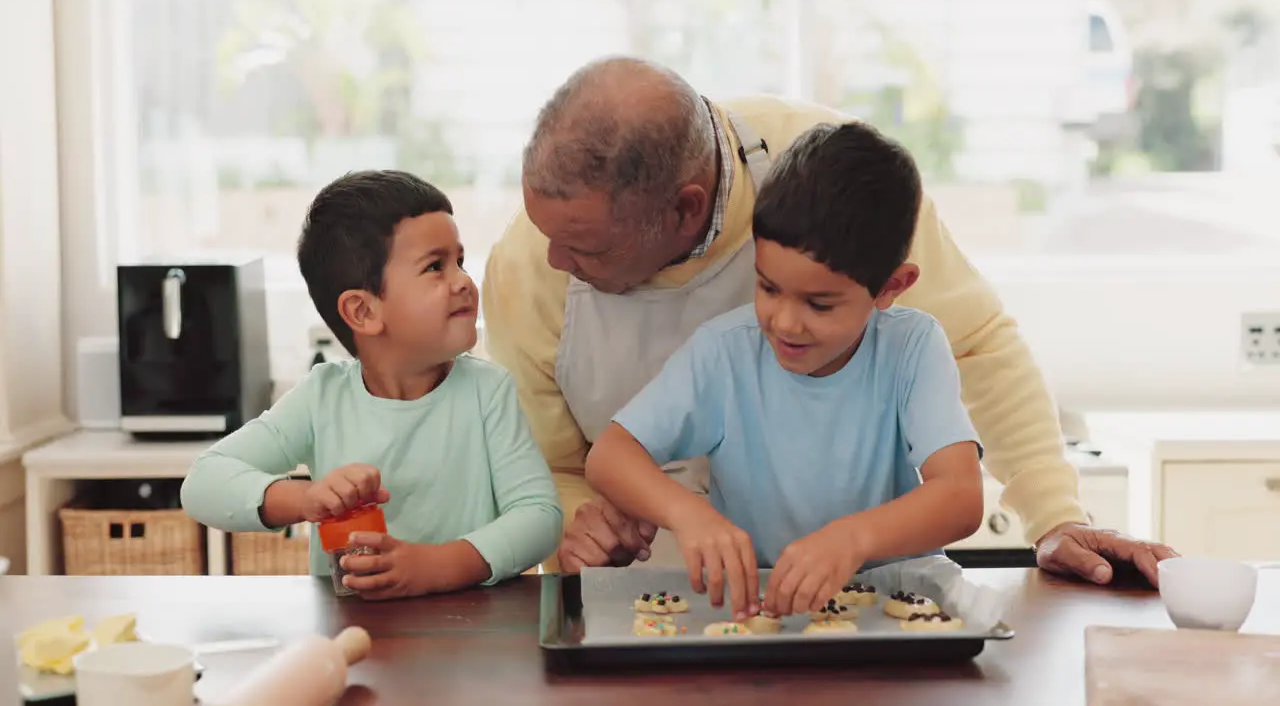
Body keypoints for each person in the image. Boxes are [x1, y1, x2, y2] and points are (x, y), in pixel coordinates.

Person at [482, 56, 1178, 588]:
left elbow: (977, 346)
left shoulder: (837, 179)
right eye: (768, 290)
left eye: (589, 249)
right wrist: (580, 524)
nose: (555, 259)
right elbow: (551, 467)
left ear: (687, 211)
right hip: (665, 598)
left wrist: (1055, 517)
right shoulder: (532, 263)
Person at [585, 121, 985, 619]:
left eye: (819, 304)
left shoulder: (913, 347)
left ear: (890, 287)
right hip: (764, 617)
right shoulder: (725, 352)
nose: (785, 322)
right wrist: (688, 514)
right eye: (768, 288)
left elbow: (961, 496)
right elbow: (610, 456)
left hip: (896, 608)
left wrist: (853, 539)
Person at [182, 170, 562, 600]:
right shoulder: (322, 398)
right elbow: (203, 483)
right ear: (363, 312)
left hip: (474, 639)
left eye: (460, 261)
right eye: (435, 267)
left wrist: (436, 567)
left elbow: (539, 517)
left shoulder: (488, 391)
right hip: (356, 637)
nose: (463, 281)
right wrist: (307, 500)